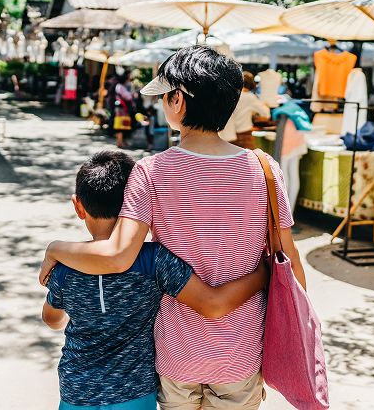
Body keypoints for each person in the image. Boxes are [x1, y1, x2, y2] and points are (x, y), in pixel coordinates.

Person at [40, 45, 306, 410]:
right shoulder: (264, 169)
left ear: (178, 100)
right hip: (242, 350)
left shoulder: (151, 172)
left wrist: (56, 248)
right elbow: (287, 258)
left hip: (176, 354)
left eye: (165, 95)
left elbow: (118, 256)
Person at [42, 150, 268, 410]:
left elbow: (52, 318)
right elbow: (211, 303)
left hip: (76, 390)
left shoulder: (65, 268)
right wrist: (261, 275)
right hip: (135, 393)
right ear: (138, 204)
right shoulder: (154, 261)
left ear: (78, 206)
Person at [219, 71, 271, 149]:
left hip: (227, 135)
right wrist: (266, 106)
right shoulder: (250, 97)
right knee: (246, 160)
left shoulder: (229, 96)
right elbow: (265, 114)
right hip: (244, 135)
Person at [112, 73, 135, 148]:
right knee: (121, 126)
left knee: (121, 125)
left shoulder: (119, 86)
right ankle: (120, 142)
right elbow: (127, 97)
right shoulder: (121, 86)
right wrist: (132, 94)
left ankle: (120, 142)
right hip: (122, 109)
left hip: (120, 108)